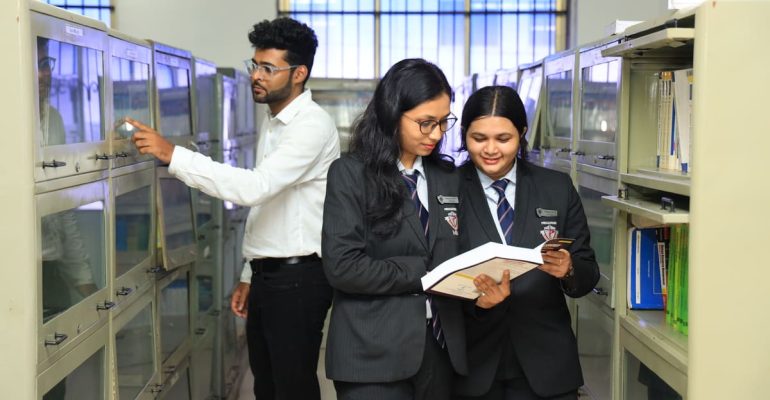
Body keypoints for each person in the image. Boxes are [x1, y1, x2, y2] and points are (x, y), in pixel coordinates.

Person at [129, 17, 339, 400]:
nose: (256, 76)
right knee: (268, 385)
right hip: (273, 275)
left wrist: (173, 154)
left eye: (268, 68)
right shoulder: (275, 121)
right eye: (254, 65)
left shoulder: (310, 126)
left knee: (292, 388)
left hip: (299, 282)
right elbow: (271, 206)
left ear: (299, 73)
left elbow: (255, 188)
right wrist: (250, 271)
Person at [321, 58, 474, 400]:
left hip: (440, 348)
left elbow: (461, 253)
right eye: (425, 123)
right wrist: (424, 271)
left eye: (444, 122)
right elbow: (343, 266)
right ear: (392, 114)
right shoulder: (350, 174)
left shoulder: (448, 178)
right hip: (372, 353)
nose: (436, 134)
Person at [453, 86, 600, 400]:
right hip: (471, 365)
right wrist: (478, 303)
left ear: (522, 134)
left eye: (503, 139)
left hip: (546, 363)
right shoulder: (448, 189)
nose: (491, 149)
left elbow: (588, 272)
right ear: (465, 135)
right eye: (479, 139)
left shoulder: (556, 188)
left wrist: (569, 268)